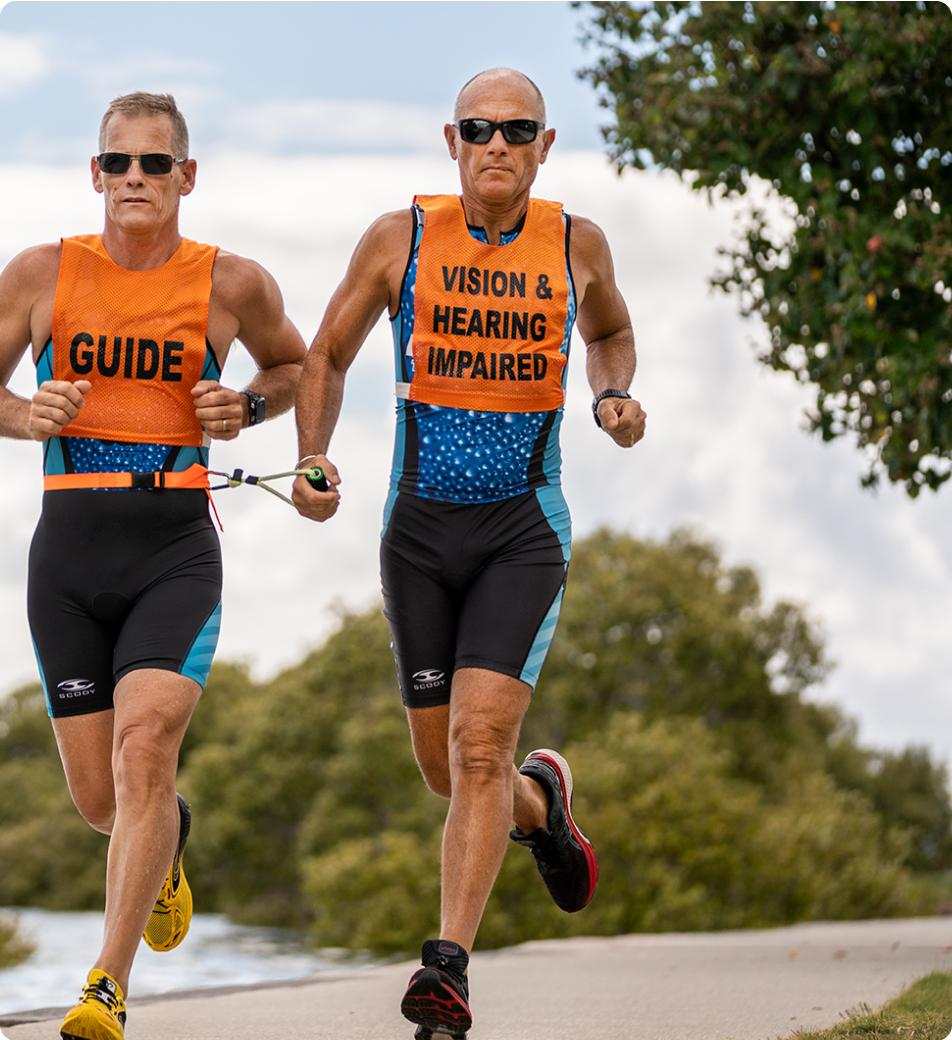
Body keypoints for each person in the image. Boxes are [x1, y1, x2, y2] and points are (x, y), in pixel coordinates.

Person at [293, 67, 646, 1038]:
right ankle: (544, 806)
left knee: (478, 745)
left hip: (519, 529)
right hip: (416, 531)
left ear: (544, 144)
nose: (497, 144)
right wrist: (312, 456)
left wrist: (609, 393)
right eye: (479, 129)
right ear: (452, 141)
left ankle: (445, 969)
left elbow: (609, 330)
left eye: (516, 130)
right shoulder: (400, 236)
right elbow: (325, 353)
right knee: (448, 771)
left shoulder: (576, 242)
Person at [0, 92, 305, 1040]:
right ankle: (164, 844)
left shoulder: (230, 283)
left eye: (155, 164)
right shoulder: (42, 273)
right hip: (68, 552)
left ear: (187, 175)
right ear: (96, 173)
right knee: (105, 801)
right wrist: (23, 415)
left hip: (175, 545)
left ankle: (106, 985)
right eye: (120, 163)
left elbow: (294, 369)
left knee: (145, 749)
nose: (137, 179)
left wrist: (246, 411)